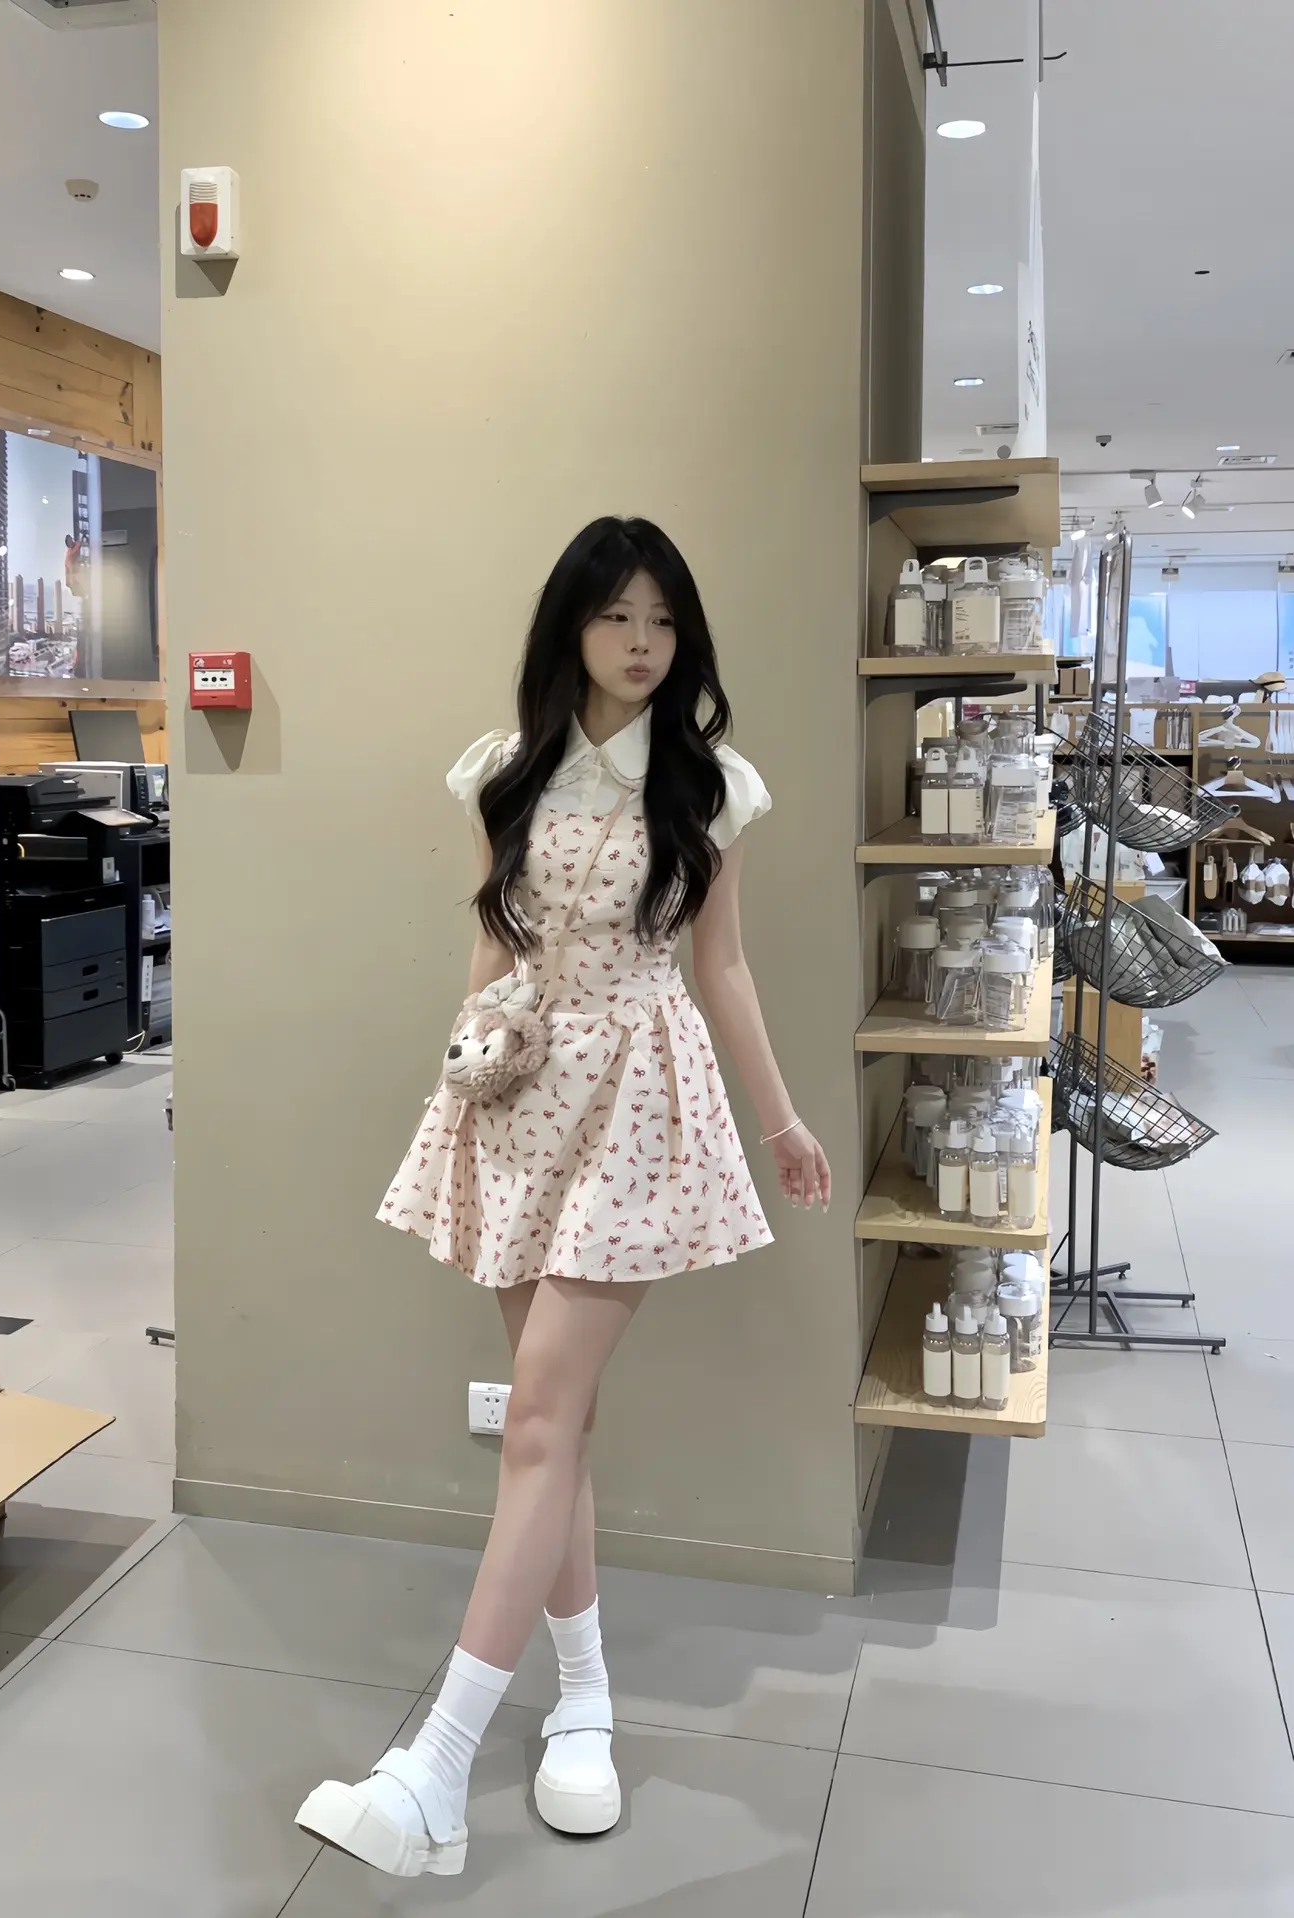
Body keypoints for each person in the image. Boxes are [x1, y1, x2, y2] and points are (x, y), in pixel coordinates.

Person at [296, 516, 831, 1879]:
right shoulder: (506, 768)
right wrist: (464, 1065)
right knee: (560, 1424)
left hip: (641, 1100)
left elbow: (721, 966)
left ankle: (435, 1769)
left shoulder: (712, 787)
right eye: (616, 616)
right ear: (571, 627)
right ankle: (582, 1697)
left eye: (662, 619)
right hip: (521, 1096)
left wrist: (778, 1119)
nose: (641, 642)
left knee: (535, 1417)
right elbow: (493, 938)